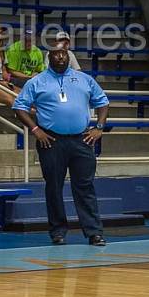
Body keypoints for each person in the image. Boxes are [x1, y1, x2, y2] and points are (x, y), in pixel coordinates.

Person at [12, 48, 110, 246]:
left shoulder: (83, 79)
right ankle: (58, 232)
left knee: (85, 187)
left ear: (69, 56)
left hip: (82, 140)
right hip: (51, 141)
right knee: (54, 187)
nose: (60, 57)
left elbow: (102, 101)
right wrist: (35, 129)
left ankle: (94, 233)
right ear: (49, 57)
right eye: (56, 54)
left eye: (64, 53)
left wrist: (99, 127)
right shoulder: (37, 81)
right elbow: (19, 107)